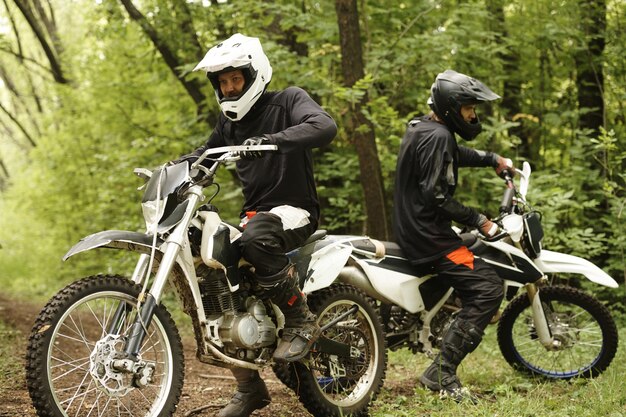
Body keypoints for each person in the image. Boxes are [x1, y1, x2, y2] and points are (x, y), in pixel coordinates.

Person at [175, 33, 337, 417]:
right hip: (256, 218)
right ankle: (249, 387)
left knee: (258, 234)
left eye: (236, 80)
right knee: (208, 266)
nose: (229, 88)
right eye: (223, 82)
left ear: (254, 75)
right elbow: (205, 155)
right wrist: (178, 168)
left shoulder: (289, 100)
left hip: (295, 210)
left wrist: (275, 140)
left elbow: (324, 126)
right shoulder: (228, 123)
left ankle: (300, 318)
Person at [393, 69, 512, 401]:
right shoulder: (439, 136)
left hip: (415, 228)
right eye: (469, 109)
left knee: (475, 252)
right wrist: (479, 220)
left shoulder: (423, 127)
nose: (473, 115)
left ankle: (446, 315)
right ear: (450, 106)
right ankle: (441, 372)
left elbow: (453, 156)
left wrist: (492, 159)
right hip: (429, 236)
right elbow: (436, 196)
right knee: (488, 288)